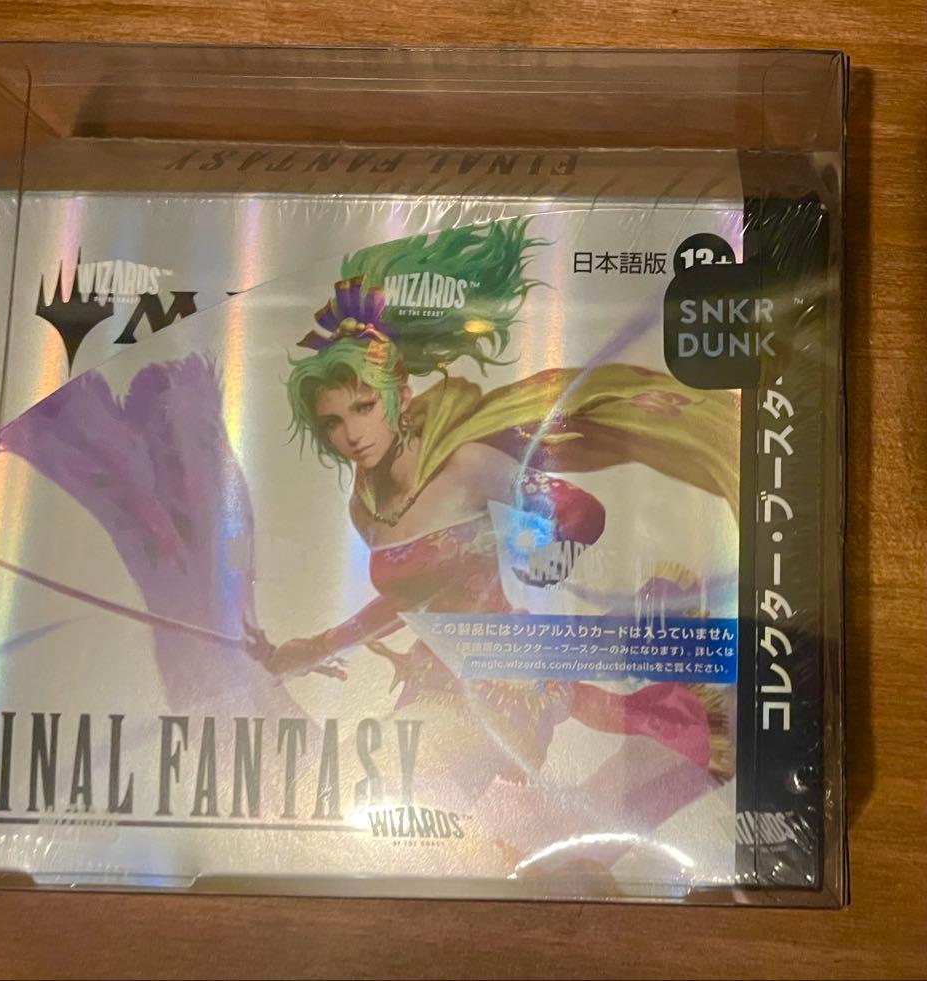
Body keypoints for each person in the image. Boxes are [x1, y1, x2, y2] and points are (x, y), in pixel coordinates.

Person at [248, 218, 738, 796]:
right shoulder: (365, 508)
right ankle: (680, 720)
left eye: (363, 408)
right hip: (433, 678)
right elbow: (407, 601)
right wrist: (317, 647)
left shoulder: (466, 466)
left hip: (506, 684)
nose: (351, 434)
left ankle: (679, 715)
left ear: (399, 396)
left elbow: (580, 510)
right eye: (333, 421)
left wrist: (553, 554)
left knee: (426, 791)